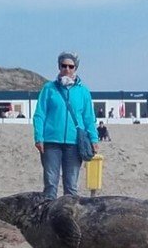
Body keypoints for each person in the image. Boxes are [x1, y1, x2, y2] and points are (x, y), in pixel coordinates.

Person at [32, 52, 98, 198]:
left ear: (75, 68)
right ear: (59, 67)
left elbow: (89, 118)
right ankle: (48, 217)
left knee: (71, 185)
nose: (67, 69)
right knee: (50, 183)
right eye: (64, 66)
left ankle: (70, 217)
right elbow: (39, 114)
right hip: (51, 143)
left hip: (74, 143)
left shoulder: (83, 91)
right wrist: (38, 137)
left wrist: (94, 139)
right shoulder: (49, 88)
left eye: (71, 66)